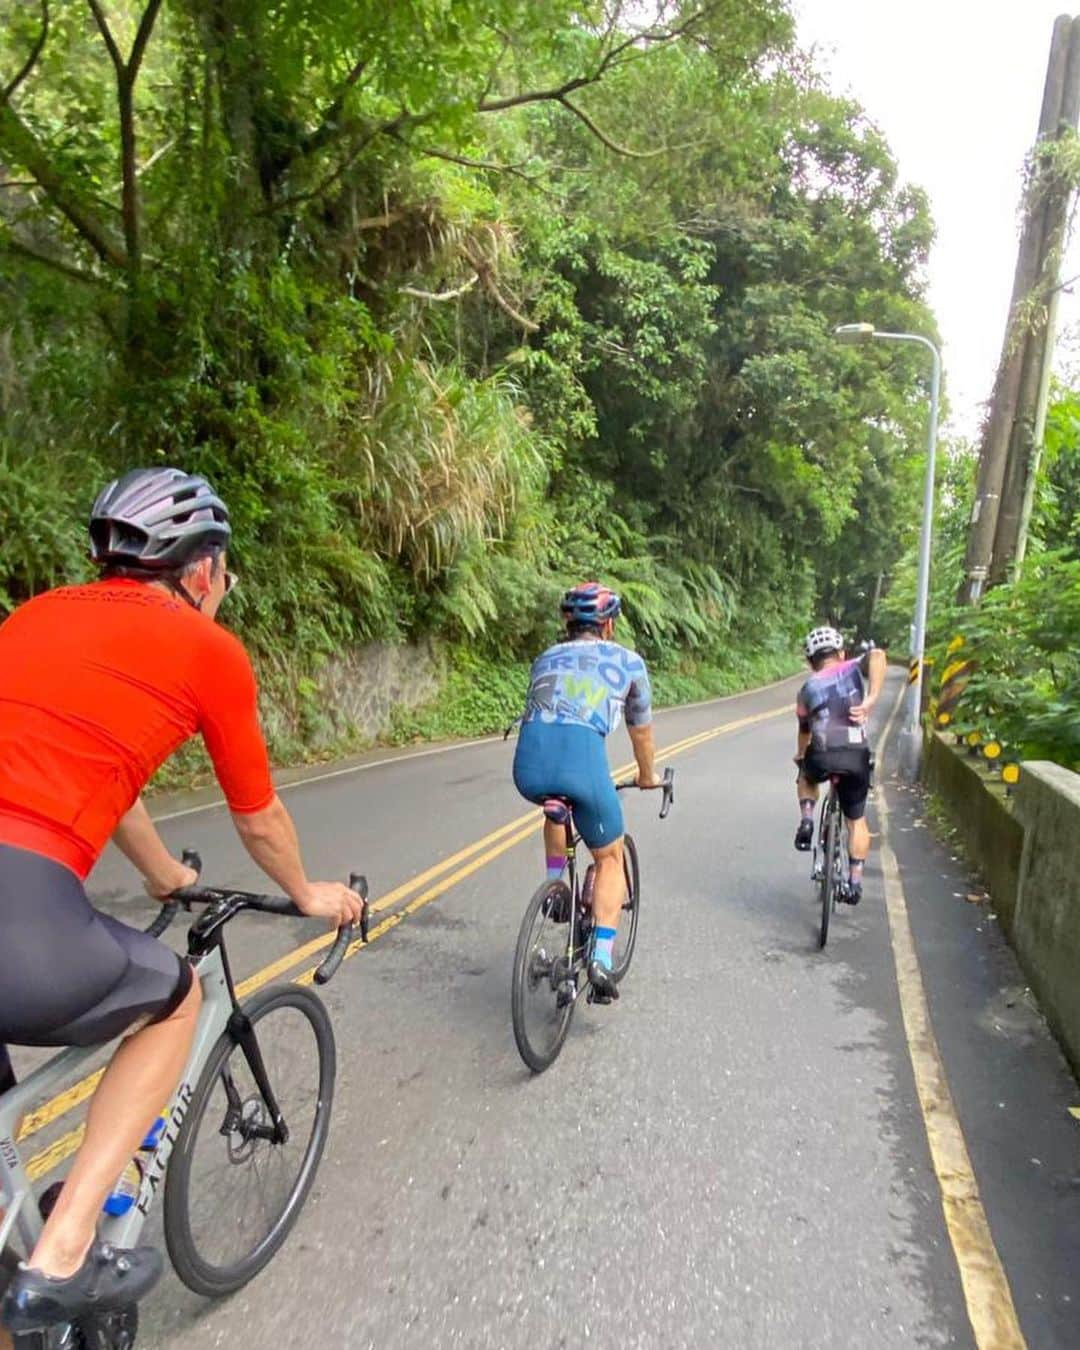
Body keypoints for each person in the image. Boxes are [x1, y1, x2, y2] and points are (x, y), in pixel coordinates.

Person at [0, 468, 362, 1337]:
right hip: (22, 913)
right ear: (200, 572)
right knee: (177, 999)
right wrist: (309, 892)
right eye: (224, 571)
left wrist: (164, 873)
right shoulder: (206, 651)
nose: (225, 587)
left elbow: (106, 776)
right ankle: (65, 1255)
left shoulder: (35, 617)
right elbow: (260, 817)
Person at [512, 582, 660, 1001]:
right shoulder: (629, 663)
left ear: (566, 622)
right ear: (608, 625)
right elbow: (641, 733)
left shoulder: (545, 657)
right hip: (582, 762)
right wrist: (647, 775)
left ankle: (556, 885)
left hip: (529, 765)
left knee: (555, 807)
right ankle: (601, 956)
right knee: (610, 857)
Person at [793, 625, 886, 904]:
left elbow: (804, 731)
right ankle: (855, 881)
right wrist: (869, 700)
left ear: (811, 662)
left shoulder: (806, 690)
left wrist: (800, 756)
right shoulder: (854, 666)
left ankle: (807, 820)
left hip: (822, 753)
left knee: (806, 775)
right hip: (856, 754)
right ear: (842, 653)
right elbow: (879, 655)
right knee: (856, 819)